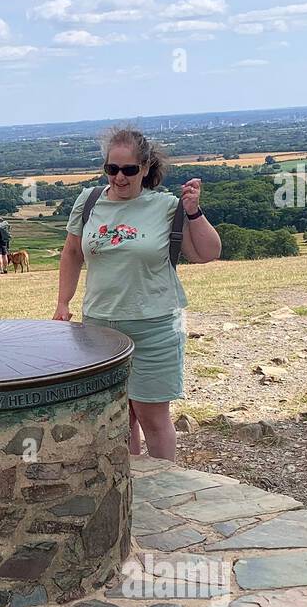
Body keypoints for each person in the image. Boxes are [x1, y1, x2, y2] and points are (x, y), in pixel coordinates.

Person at [53, 126, 221, 461]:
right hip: (100, 326)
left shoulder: (167, 207)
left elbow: (207, 253)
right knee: (117, 417)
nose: (119, 177)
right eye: (111, 169)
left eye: (129, 170)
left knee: (152, 418)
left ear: (145, 168)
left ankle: (163, 491)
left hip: (155, 326)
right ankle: (126, 489)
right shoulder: (88, 202)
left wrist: (194, 211)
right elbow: (72, 253)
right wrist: (62, 303)